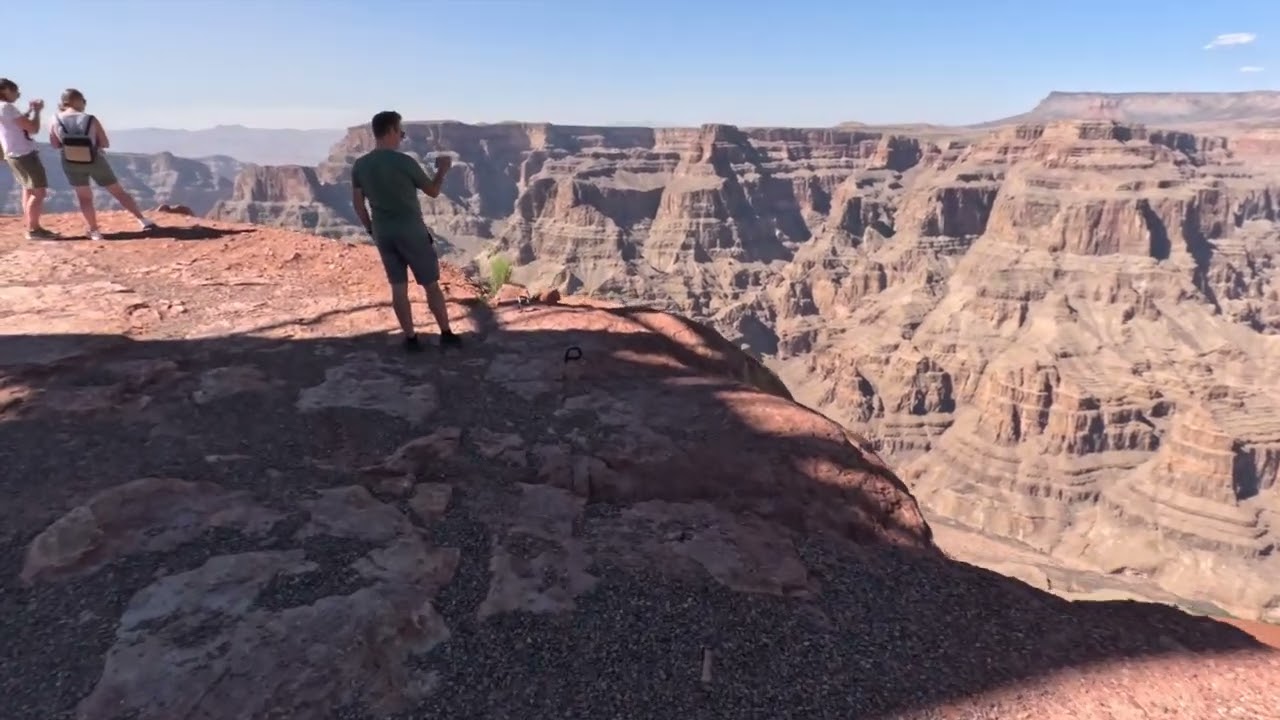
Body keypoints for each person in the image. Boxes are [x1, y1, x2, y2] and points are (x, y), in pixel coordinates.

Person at [351, 110, 460, 352]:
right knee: (431, 284)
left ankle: (410, 338)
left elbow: (358, 203)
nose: (402, 136)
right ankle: (446, 333)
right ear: (390, 131)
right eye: (400, 131)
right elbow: (432, 191)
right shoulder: (405, 162)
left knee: (398, 288)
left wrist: (371, 229)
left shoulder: (360, 165)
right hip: (411, 231)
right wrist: (442, 170)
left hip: (383, 233)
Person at [48, 89, 157, 240]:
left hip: (70, 161)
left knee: (84, 198)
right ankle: (143, 220)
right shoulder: (90, 119)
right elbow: (105, 143)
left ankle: (94, 231)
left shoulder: (54, 119)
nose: (85, 104)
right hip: (94, 159)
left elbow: (54, 144)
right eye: (83, 100)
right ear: (76, 100)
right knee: (118, 192)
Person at [0, 78, 55, 239]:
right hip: (24, 153)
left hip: (12, 154)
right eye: (15, 91)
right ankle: (33, 229)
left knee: (28, 189)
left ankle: (31, 224)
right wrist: (37, 111)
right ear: (6, 90)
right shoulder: (7, 107)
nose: (18, 94)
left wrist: (29, 112)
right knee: (39, 192)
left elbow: (13, 125)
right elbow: (33, 128)